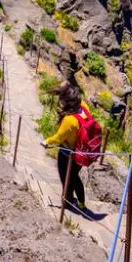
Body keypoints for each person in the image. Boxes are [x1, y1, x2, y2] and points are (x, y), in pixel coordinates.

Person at [44, 82, 89, 212]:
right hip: (82, 152)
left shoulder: (70, 120)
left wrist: (46, 142)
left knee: (66, 178)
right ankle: (81, 203)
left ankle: (67, 202)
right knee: (75, 176)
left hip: (68, 154)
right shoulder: (84, 107)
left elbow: (58, 138)